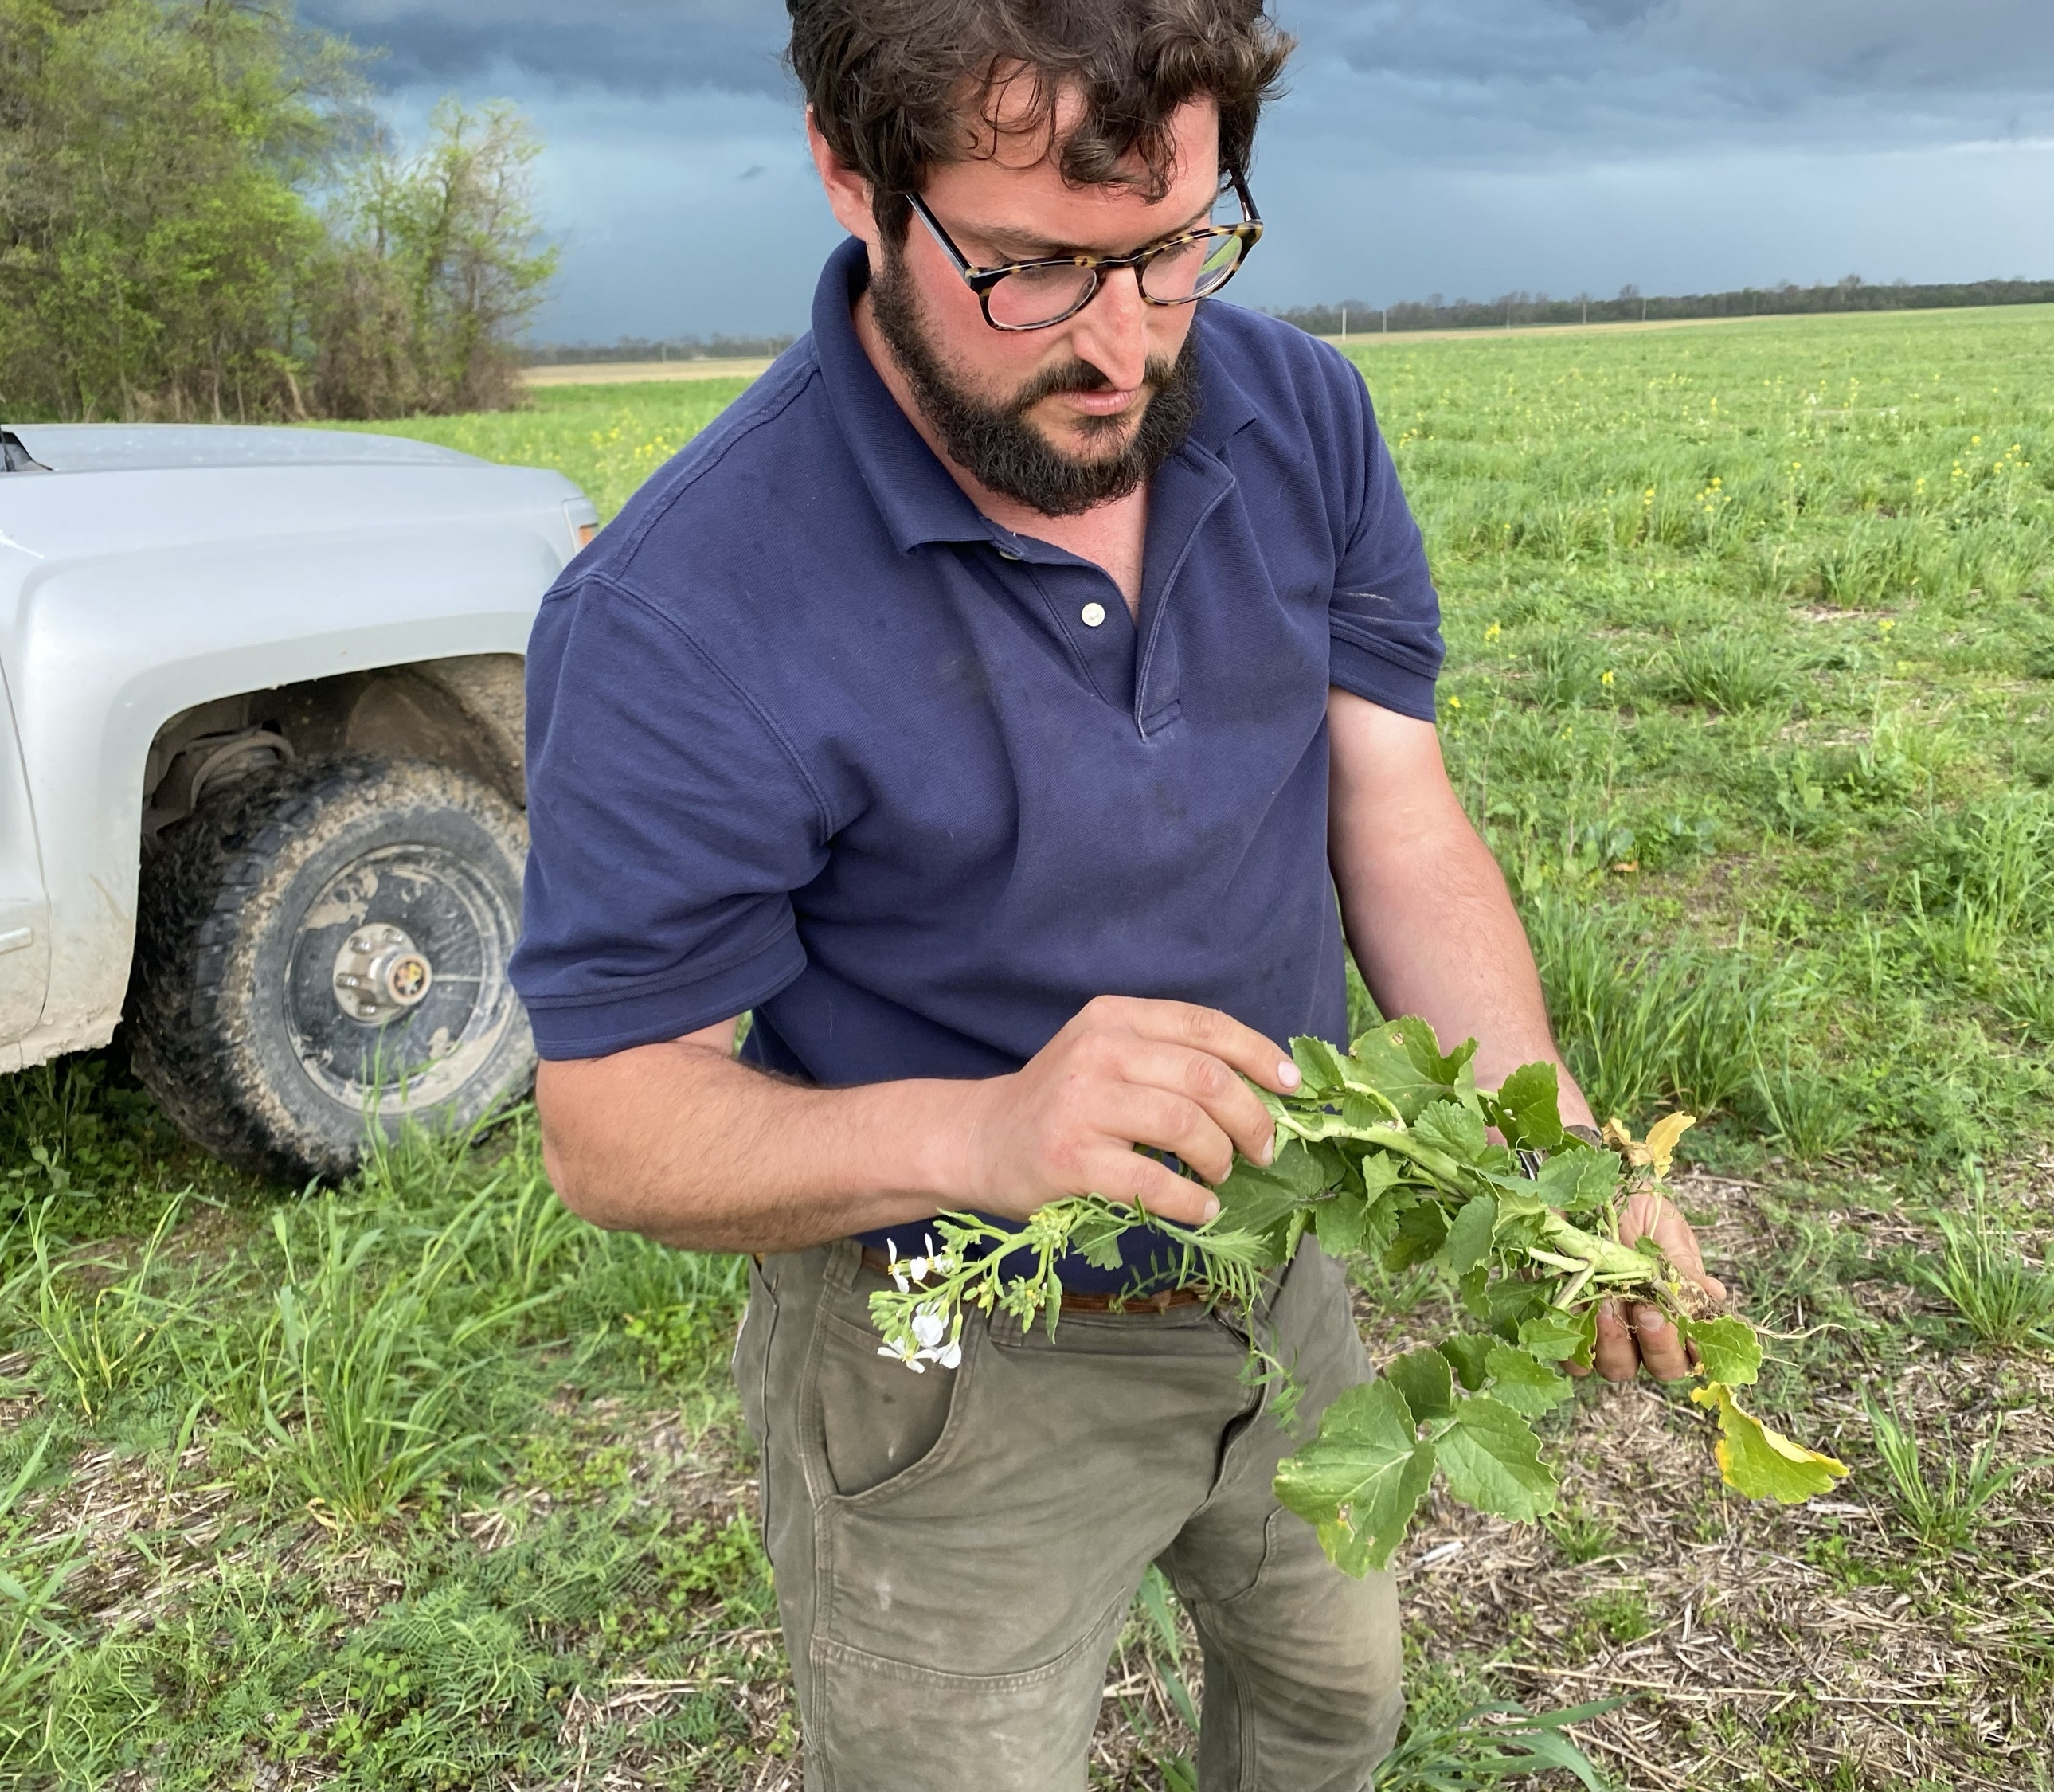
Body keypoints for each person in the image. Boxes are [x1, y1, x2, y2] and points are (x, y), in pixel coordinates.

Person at [513, 3, 1722, 1788]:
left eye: (1175, 247)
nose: (1124, 344)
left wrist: (1564, 1175)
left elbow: (1395, 818)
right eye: (1033, 269)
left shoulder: (1299, 413)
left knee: (1328, 1706)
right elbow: (612, 1126)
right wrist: (995, 1133)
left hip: (1287, 1276)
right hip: (949, 1344)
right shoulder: (684, 609)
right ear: (856, 179)